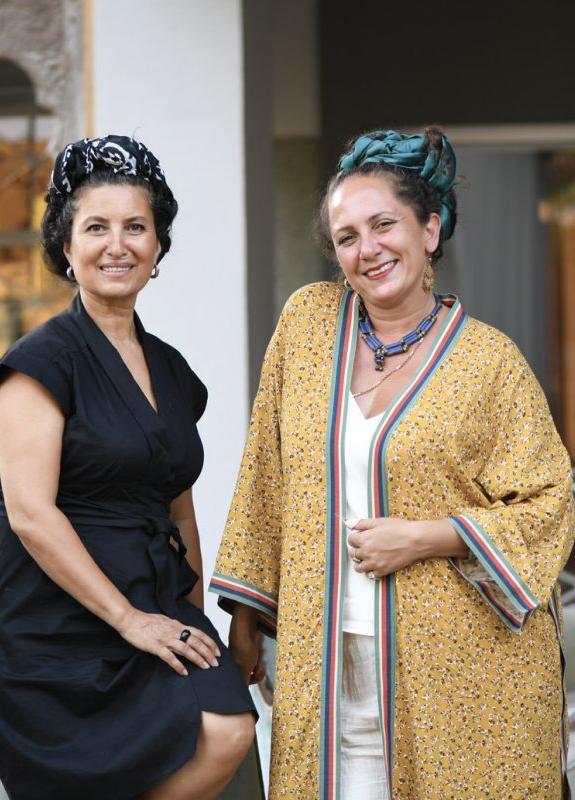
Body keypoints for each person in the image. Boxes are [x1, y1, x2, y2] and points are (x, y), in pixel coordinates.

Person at [210, 127, 574, 799]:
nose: (368, 249)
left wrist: (427, 537)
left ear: (429, 229)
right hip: (325, 661)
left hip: (463, 674)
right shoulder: (307, 327)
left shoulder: (489, 362)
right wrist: (245, 618)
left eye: (384, 225)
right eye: (347, 237)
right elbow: (264, 471)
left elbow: (551, 505)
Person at [0, 134, 255, 800]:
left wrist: (194, 615)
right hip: (40, 620)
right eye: (96, 227)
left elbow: (179, 507)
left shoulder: (172, 370)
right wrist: (127, 619)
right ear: (66, 247)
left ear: (158, 246)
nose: (117, 245)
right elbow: (31, 514)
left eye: (135, 227)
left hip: (150, 594)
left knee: (228, 727)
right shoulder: (38, 364)